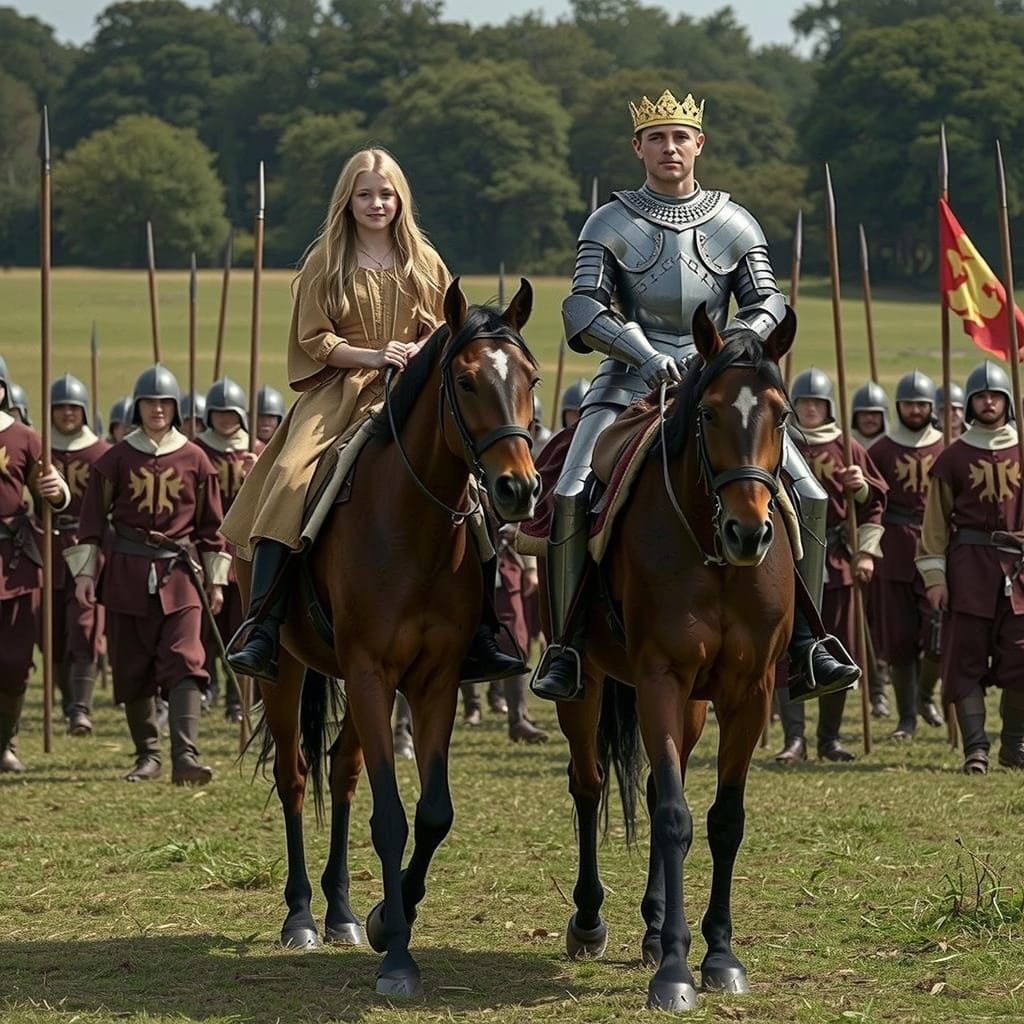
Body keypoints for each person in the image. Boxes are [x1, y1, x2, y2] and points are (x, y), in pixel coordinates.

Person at [532, 87, 859, 702]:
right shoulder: (609, 221)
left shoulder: (735, 222)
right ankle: (568, 647)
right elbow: (583, 306)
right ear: (638, 148)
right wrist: (648, 356)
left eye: (680, 137)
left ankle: (805, 646)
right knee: (571, 492)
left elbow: (768, 302)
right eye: (656, 138)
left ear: (699, 144)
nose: (669, 147)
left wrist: (726, 350)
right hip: (630, 380)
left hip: (722, 384)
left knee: (811, 495)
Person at [222, 147, 523, 686]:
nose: (376, 204)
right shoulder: (325, 262)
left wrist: (419, 351)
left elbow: (448, 330)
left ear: (400, 200)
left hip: (413, 393)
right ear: (348, 200)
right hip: (339, 392)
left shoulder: (425, 262)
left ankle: (483, 628)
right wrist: (373, 355)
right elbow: (314, 339)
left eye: (386, 194)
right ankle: (262, 624)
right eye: (365, 194)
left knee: (473, 494)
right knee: (289, 475)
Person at [65, 365, 228, 784]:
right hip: (126, 573)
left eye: (165, 403)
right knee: (133, 667)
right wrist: (85, 575)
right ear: (137, 407)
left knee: (186, 660)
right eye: (150, 403)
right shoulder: (115, 459)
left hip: (181, 574)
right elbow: (91, 522)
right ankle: (148, 756)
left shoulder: (196, 459)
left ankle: (185, 757)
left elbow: (212, 528)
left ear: (175, 408)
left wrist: (215, 580)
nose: (157, 409)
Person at [774, 369, 887, 763]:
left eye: (817, 403)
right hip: (787, 557)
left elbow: (874, 505)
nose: (809, 409)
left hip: (835, 558)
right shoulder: (779, 441)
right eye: (804, 402)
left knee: (836, 647)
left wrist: (861, 487)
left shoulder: (848, 448)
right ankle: (794, 739)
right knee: (786, 648)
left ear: (828, 407)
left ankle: (829, 739)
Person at [917, 360, 1024, 774]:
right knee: (965, 658)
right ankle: (975, 749)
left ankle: (1014, 745)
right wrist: (935, 577)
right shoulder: (953, 457)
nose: (989, 402)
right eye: (981, 396)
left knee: (1021, 656)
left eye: (996, 395)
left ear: (1007, 401)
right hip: (969, 568)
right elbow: (935, 525)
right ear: (972, 403)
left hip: (1019, 569)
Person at [0, 356, 71, 772]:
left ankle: (4, 742)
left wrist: (54, 490)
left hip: (12, 560)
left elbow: (55, 495)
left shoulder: (25, 438)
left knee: (12, 660)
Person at [868, 371, 945, 740]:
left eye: (921, 405)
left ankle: (925, 694)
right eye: (909, 404)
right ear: (898, 407)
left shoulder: (948, 448)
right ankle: (907, 718)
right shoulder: (881, 450)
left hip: (937, 547)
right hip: (894, 550)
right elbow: (871, 501)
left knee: (938, 633)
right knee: (899, 638)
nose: (915, 410)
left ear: (931, 407)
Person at [194, 377, 262, 722]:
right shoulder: (196, 450)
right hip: (206, 546)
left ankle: (239, 698)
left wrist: (258, 474)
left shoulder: (258, 451)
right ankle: (207, 687)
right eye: (218, 412)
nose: (224, 418)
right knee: (206, 628)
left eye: (231, 412)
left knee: (242, 625)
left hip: (245, 550)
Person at [49, 373, 110, 735]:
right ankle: (67, 700)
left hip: (88, 545)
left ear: (84, 410)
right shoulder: (41, 447)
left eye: (73, 407)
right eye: (61, 407)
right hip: (45, 546)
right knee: (51, 629)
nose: (68, 413)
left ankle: (80, 709)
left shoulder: (100, 453)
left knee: (85, 625)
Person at [850, 381, 888, 450]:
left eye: (874, 413)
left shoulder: (894, 447)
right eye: (863, 413)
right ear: (855, 417)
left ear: (883, 416)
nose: (869, 418)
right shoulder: (846, 446)